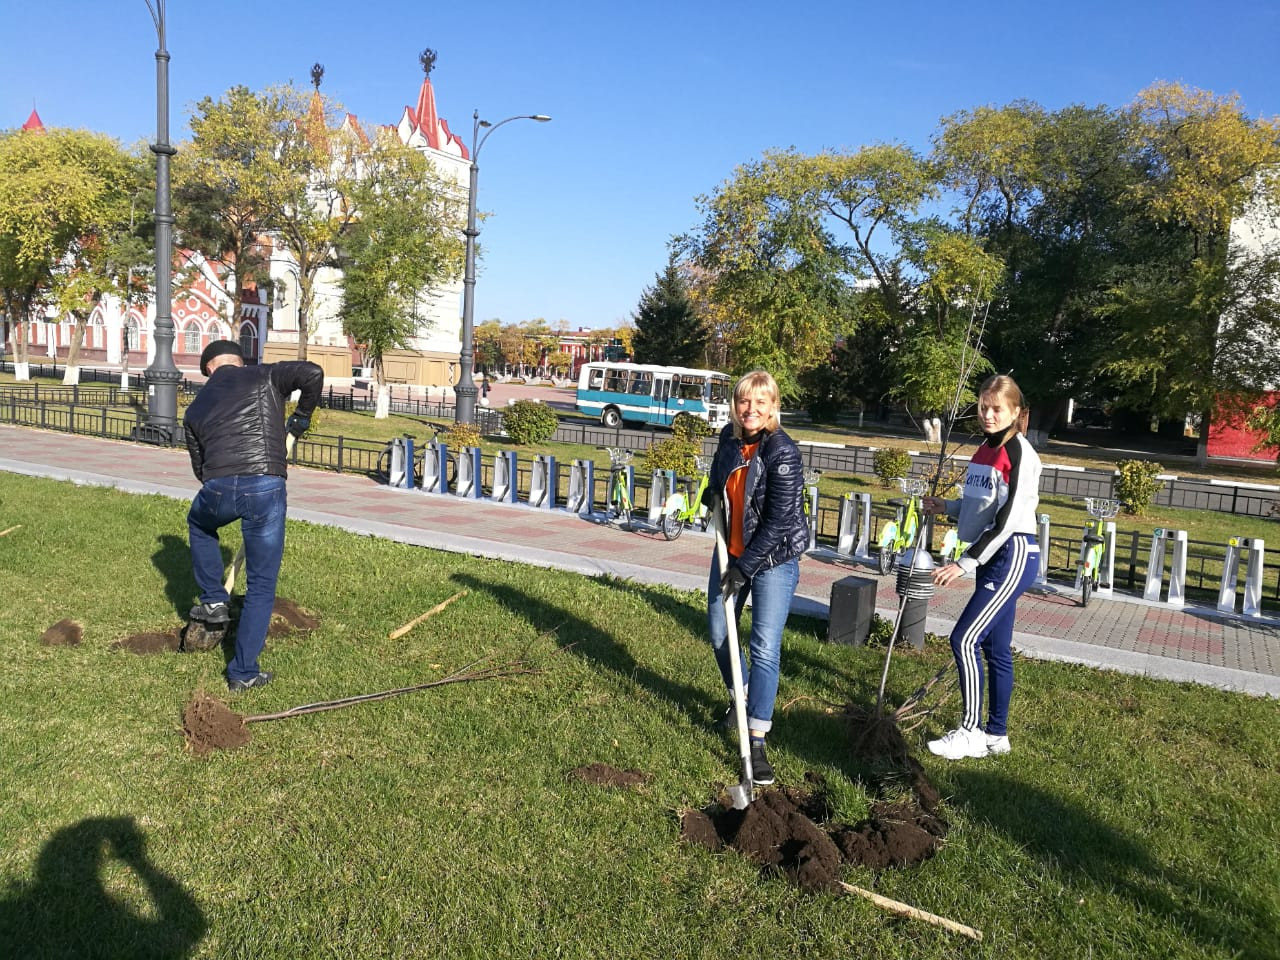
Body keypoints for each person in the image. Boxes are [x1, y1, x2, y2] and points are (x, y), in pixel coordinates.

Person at [183, 340, 324, 692]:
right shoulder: (265, 375)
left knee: (199, 524)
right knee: (261, 584)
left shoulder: (195, 408)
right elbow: (312, 374)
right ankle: (243, 673)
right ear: (238, 361)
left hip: (217, 488)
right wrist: (301, 418)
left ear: (209, 369)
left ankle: (213, 599)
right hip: (265, 487)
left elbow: (200, 468)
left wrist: (226, 484)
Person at [921, 374, 1042, 759]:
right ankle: (996, 734)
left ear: (1016, 412)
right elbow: (983, 507)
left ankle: (971, 731)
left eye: (997, 409)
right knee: (995, 646)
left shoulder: (1020, 453)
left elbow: (1008, 521)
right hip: (994, 554)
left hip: (1012, 553)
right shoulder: (984, 450)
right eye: (983, 408)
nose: (988, 415)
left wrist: (965, 563)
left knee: (964, 638)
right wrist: (948, 507)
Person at [705, 370, 808, 785]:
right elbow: (719, 478)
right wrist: (711, 492)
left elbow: (779, 522)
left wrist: (744, 568)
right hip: (730, 552)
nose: (751, 409)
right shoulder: (729, 440)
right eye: (744, 401)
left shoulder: (783, 451)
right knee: (718, 631)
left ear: (773, 407)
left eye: (760, 402)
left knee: (764, 646)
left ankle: (757, 737)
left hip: (773, 560)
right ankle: (742, 697)